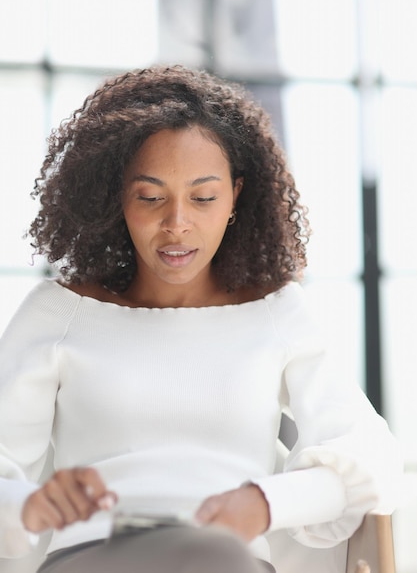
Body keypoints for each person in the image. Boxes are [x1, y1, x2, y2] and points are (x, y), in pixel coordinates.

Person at [0, 65, 402, 573]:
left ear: (235, 196)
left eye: (204, 197)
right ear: (115, 197)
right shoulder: (60, 314)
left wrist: (264, 502)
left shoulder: (276, 313)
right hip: (92, 555)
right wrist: (29, 505)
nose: (177, 224)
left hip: (223, 557)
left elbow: (370, 454)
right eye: (150, 197)